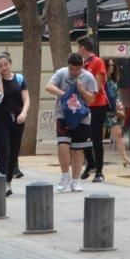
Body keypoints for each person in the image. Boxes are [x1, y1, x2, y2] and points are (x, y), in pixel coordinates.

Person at [46, 53, 97, 193]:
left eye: (77, 69)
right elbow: (49, 86)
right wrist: (64, 94)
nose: (74, 72)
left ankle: (76, 180)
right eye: (71, 69)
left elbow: (92, 99)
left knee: (78, 149)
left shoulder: (88, 77)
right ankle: (64, 176)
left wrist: (81, 90)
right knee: (63, 145)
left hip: (82, 117)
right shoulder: (61, 73)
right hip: (63, 115)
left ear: (82, 66)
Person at [0, 54, 29, 197]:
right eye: (0, 65)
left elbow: (26, 99)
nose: (3, 67)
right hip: (1, 119)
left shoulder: (20, 79)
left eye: (6, 64)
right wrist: (0, 78)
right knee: (4, 150)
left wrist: (23, 113)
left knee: (14, 151)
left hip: (18, 119)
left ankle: (8, 181)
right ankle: (2, 181)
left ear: (10, 64)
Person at [76, 36, 109, 183]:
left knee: (96, 138)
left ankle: (99, 171)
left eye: (78, 48)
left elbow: (98, 84)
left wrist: (87, 93)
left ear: (83, 48)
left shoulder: (97, 61)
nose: (77, 51)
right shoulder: (82, 64)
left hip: (98, 105)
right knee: (82, 136)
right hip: (85, 106)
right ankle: (91, 163)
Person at [104, 60, 130, 168]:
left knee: (118, 134)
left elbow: (117, 96)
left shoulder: (113, 81)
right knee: (98, 137)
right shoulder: (100, 80)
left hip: (113, 111)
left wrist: (120, 106)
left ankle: (125, 158)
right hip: (102, 110)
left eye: (113, 65)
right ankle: (94, 158)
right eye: (109, 65)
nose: (111, 67)